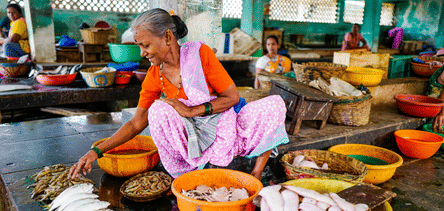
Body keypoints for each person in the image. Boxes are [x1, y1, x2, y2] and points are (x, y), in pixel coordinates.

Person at [69, 9, 289, 180]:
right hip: (190, 137)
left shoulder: (199, 54)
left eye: (145, 45)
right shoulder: (155, 75)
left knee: (274, 106)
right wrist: (96, 152)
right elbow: (137, 123)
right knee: (158, 111)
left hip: (223, 125)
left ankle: (256, 173)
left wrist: (193, 110)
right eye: (139, 47)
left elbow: (231, 98)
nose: (142, 53)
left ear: (167, 37)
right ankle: (187, 173)